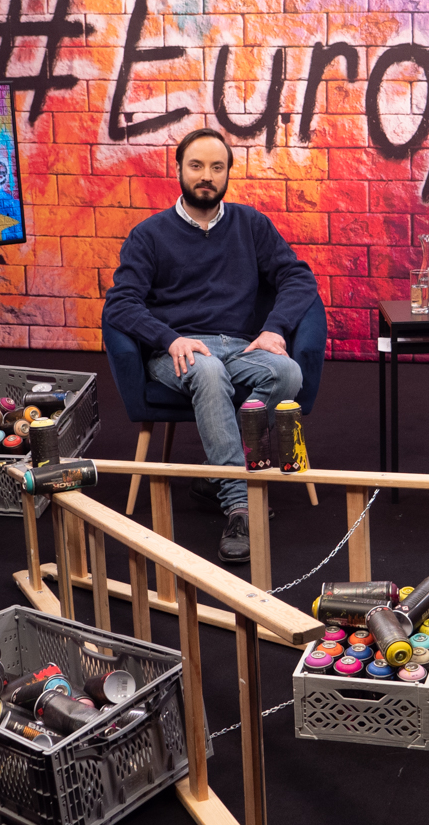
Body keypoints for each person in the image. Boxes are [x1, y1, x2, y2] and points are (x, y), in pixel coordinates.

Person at [102, 128, 317, 562]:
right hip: (178, 351)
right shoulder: (149, 235)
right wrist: (169, 338)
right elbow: (120, 304)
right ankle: (240, 505)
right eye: (197, 166)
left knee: (288, 371)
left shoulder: (250, 224)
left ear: (228, 173)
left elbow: (297, 277)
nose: (207, 176)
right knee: (208, 371)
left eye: (217, 167)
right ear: (179, 169)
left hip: (239, 346)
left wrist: (275, 328)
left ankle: (219, 472)